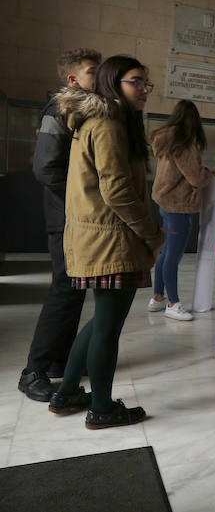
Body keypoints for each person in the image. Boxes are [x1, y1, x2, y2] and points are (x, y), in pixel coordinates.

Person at [47, 55, 164, 429]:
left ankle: (67, 393)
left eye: (146, 82)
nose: (143, 89)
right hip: (111, 239)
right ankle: (101, 408)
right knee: (108, 328)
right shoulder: (109, 124)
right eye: (136, 81)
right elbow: (117, 191)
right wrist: (152, 234)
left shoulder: (103, 120)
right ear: (114, 82)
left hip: (101, 236)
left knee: (102, 320)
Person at [19, 48, 101, 402]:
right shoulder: (59, 109)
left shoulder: (83, 109)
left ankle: (57, 360)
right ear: (73, 79)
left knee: (74, 289)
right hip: (65, 216)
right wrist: (81, 198)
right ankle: (33, 371)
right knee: (65, 288)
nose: (98, 77)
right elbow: (45, 168)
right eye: (92, 71)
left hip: (77, 217)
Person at [148, 100, 215, 321]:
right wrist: (209, 174)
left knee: (166, 251)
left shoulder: (167, 139)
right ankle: (172, 303)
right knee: (173, 255)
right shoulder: (183, 144)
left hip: (164, 202)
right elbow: (196, 177)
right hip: (178, 205)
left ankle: (158, 298)